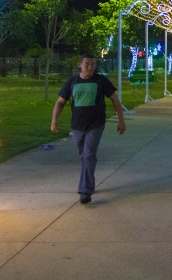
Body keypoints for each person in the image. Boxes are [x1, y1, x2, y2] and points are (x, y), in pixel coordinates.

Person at [51, 53, 126, 204]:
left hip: (96, 124)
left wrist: (121, 121)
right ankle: (89, 182)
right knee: (83, 156)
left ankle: (85, 191)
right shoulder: (72, 82)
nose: (90, 67)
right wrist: (54, 120)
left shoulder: (101, 81)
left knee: (89, 155)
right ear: (80, 65)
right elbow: (60, 102)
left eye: (92, 64)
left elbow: (115, 100)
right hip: (77, 126)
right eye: (87, 64)